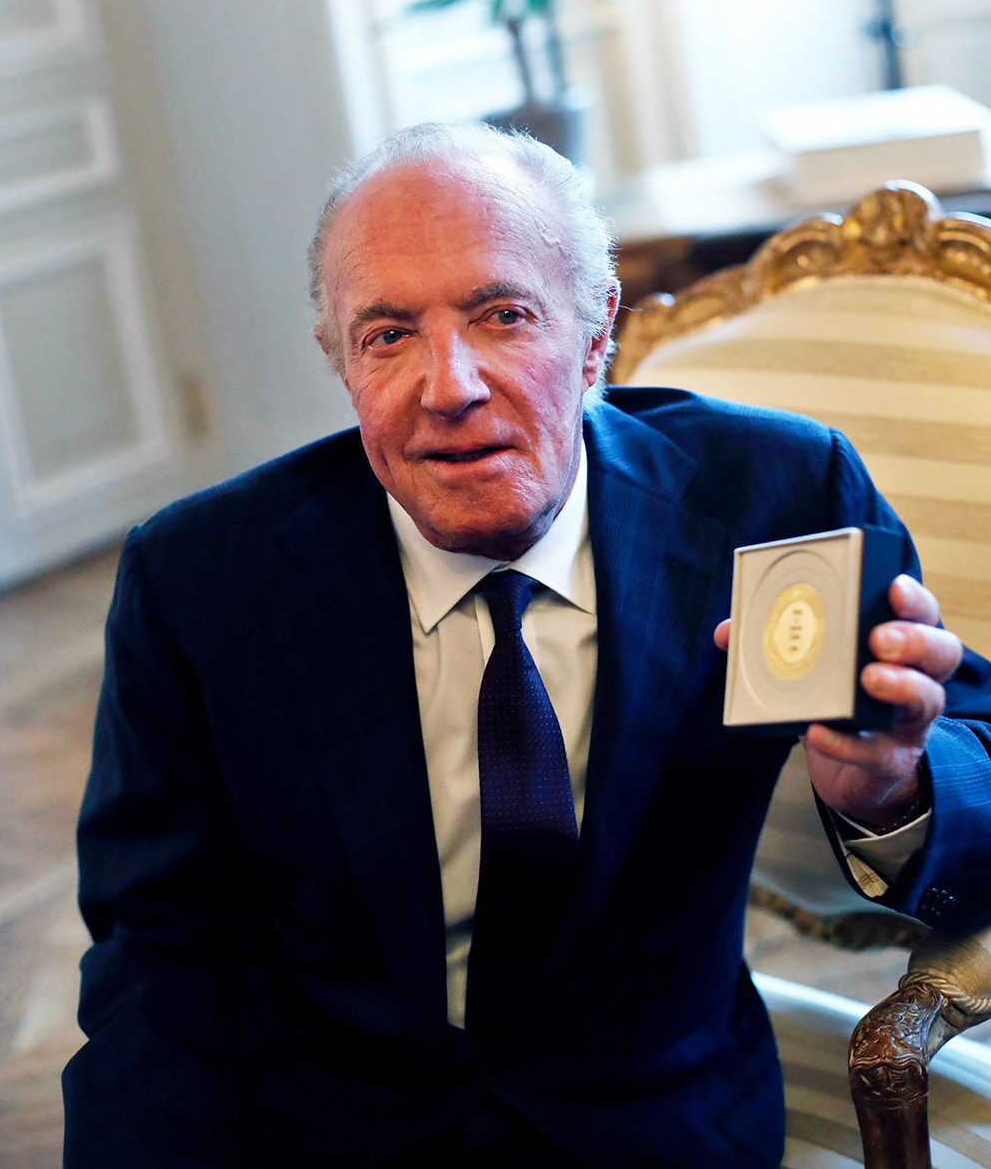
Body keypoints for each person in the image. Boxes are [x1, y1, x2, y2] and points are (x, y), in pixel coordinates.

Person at [63, 123, 991, 1169]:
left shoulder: (770, 494)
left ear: (597, 335)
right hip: (330, 1131)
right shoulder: (200, 580)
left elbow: (977, 765)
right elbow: (162, 954)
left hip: (657, 1120)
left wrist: (892, 790)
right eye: (388, 335)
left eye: (502, 316)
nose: (448, 386)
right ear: (340, 365)